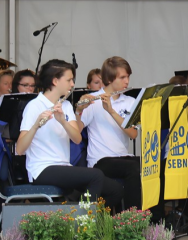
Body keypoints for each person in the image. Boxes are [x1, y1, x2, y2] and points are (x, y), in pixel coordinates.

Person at [17, 59, 123, 206]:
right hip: (42, 169)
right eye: (69, 80)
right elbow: (20, 149)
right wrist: (35, 126)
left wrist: (63, 121)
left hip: (64, 166)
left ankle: (86, 216)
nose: (72, 84)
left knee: (115, 190)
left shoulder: (65, 105)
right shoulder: (34, 106)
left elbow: (77, 139)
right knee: (96, 176)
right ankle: (84, 218)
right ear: (55, 81)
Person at [77, 57, 141, 209]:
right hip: (100, 160)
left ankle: (155, 218)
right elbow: (77, 131)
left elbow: (133, 134)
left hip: (123, 157)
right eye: (122, 77)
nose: (127, 81)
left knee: (150, 166)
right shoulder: (93, 100)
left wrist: (111, 111)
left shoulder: (130, 101)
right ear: (110, 79)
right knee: (132, 169)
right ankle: (133, 217)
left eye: (128, 77)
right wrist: (78, 111)